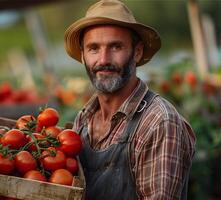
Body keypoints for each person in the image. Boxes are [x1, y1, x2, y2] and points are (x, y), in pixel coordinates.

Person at [64, 0, 196, 199]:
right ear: (83, 56)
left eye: (115, 47)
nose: (103, 60)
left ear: (137, 52)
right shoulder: (84, 120)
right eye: (93, 48)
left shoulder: (158, 122)